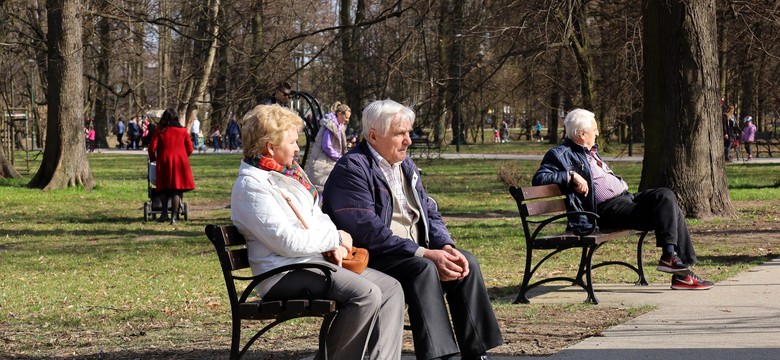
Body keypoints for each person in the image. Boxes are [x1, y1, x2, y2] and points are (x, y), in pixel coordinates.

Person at [322, 99, 503, 360]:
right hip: (377, 257)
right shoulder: (353, 168)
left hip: (413, 252)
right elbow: (366, 230)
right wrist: (424, 254)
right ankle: (440, 356)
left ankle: (477, 353)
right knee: (424, 269)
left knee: (466, 262)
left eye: (409, 133)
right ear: (374, 135)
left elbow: (430, 211)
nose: (408, 140)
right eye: (400, 134)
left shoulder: (405, 165)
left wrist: (445, 246)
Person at [231, 104, 405, 360]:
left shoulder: (288, 175)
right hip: (281, 273)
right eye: (292, 142)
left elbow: (317, 215)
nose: (298, 148)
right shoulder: (251, 186)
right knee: (366, 294)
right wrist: (334, 238)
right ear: (271, 147)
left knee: (391, 288)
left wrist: (335, 241)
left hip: (310, 263)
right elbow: (286, 242)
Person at [532, 108, 714, 290]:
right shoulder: (560, 154)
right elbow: (539, 178)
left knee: (666, 195)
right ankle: (681, 271)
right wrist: (571, 175)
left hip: (627, 199)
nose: (597, 133)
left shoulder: (591, 152)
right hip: (605, 211)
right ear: (581, 134)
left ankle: (671, 258)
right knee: (669, 210)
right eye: (594, 130)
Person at [148, 108, 195, 224]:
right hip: (179, 163)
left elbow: (152, 148)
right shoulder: (183, 131)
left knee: (163, 188)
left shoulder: (160, 130)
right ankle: (174, 217)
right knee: (176, 190)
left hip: (164, 161)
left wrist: (154, 159)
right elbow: (190, 148)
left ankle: (164, 214)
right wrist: (183, 157)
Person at [305, 101, 351, 193]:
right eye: (345, 117)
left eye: (348, 118)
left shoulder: (339, 126)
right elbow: (327, 146)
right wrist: (339, 157)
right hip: (322, 163)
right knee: (321, 191)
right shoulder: (330, 125)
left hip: (329, 162)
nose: (347, 120)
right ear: (339, 114)